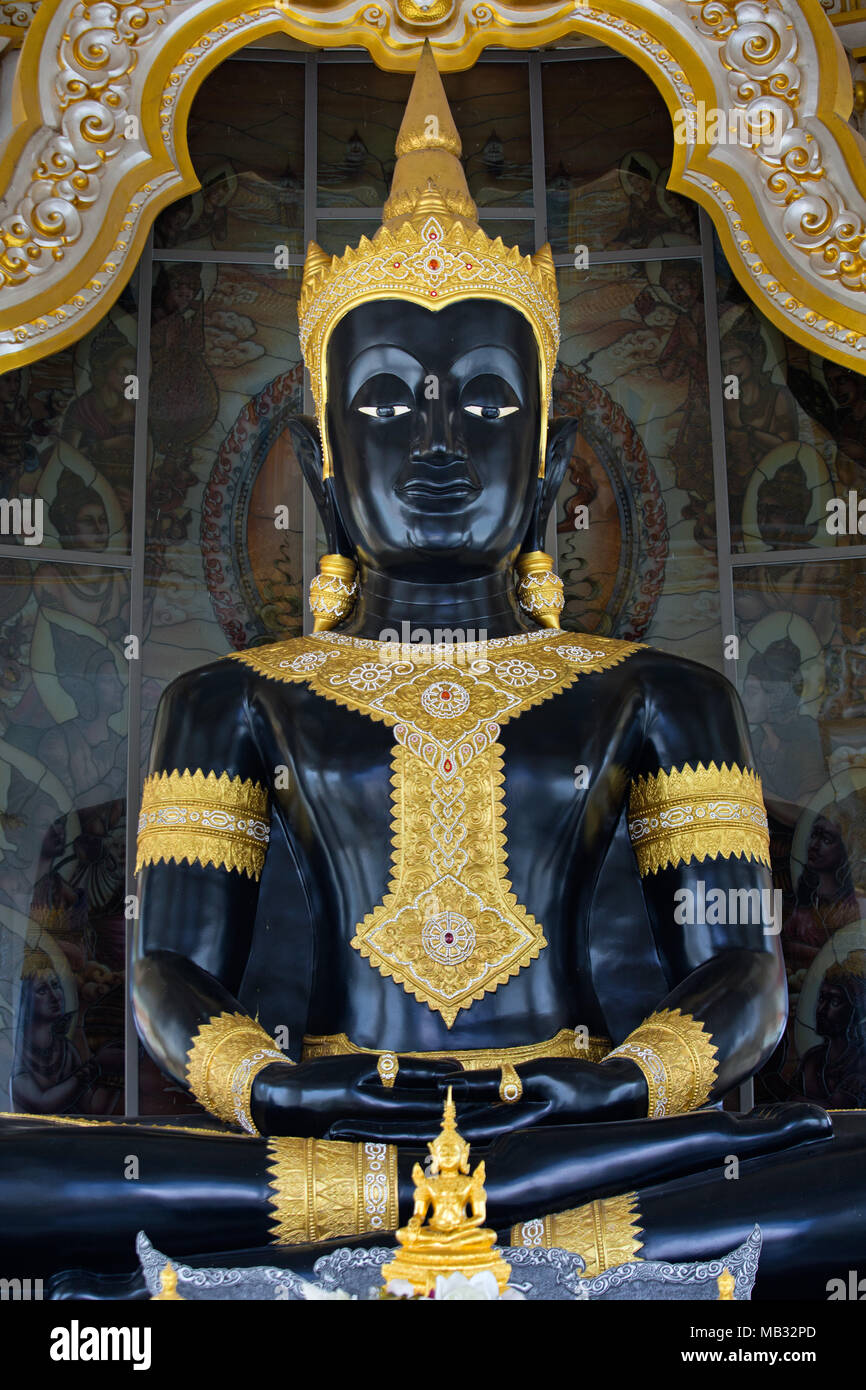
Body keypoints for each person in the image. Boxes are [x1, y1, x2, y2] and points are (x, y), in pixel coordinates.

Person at [1, 43, 864, 1299]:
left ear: (558, 456)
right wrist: (283, 1082)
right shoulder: (229, 701)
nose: (442, 442)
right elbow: (169, 974)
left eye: (489, 405)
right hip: (329, 1130)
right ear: (318, 454)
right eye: (390, 406)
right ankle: (485, 1220)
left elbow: (740, 977)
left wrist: (612, 1083)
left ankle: (419, 1221)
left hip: (585, 1125)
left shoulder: (663, 697)